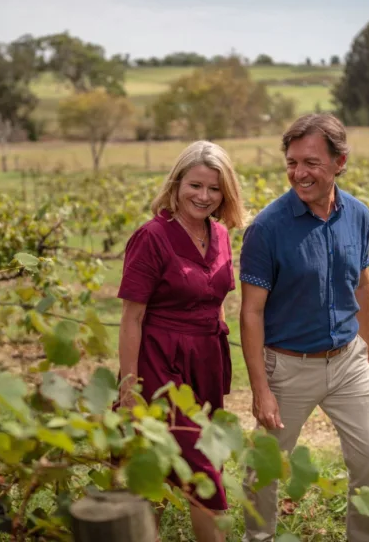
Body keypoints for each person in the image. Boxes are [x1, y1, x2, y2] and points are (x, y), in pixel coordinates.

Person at [238, 113, 369, 542]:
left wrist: (367, 343)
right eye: (292, 162)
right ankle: (259, 539)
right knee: (263, 468)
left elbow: (362, 283)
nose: (299, 173)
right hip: (288, 368)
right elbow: (250, 313)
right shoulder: (266, 229)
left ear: (340, 162)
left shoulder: (358, 215)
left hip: (348, 362)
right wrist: (261, 389)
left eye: (311, 163)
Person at [116, 140, 247, 542]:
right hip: (160, 363)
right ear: (176, 184)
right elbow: (132, 317)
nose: (204, 196)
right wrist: (129, 387)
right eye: (195, 185)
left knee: (169, 466)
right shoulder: (152, 236)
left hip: (206, 362)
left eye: (214, 188)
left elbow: (216, 299)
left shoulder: (220, 234)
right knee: (197, 469)